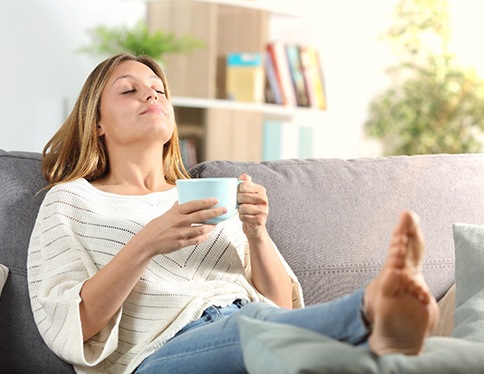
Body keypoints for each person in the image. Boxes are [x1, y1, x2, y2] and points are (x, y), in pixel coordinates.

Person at [27, 53, 439, 374]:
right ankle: (370, 311)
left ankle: (372, 335)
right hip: (162, 354)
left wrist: (256, 232)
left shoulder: (204, 197)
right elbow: (73, 325)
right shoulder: (72, 203)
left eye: (157, 89)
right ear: (96, 122)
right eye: (128, 90)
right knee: (255, 330)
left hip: (250, 323)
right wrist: (146, 244)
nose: (150, 95)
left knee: (263, 330)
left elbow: (283, 308)